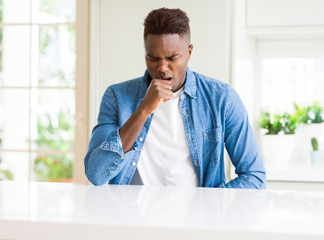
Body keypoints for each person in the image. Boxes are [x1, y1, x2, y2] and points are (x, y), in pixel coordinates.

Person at [84, 7, 266, 189]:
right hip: (132, 216)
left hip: (198, 216)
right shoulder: (116, 97)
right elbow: (96, 175)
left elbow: (255, 176)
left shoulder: (222, 99)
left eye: (172, 58)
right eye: (152, 58)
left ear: (189, 52)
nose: (162, 68)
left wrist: (209, 207)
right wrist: (144, 110)